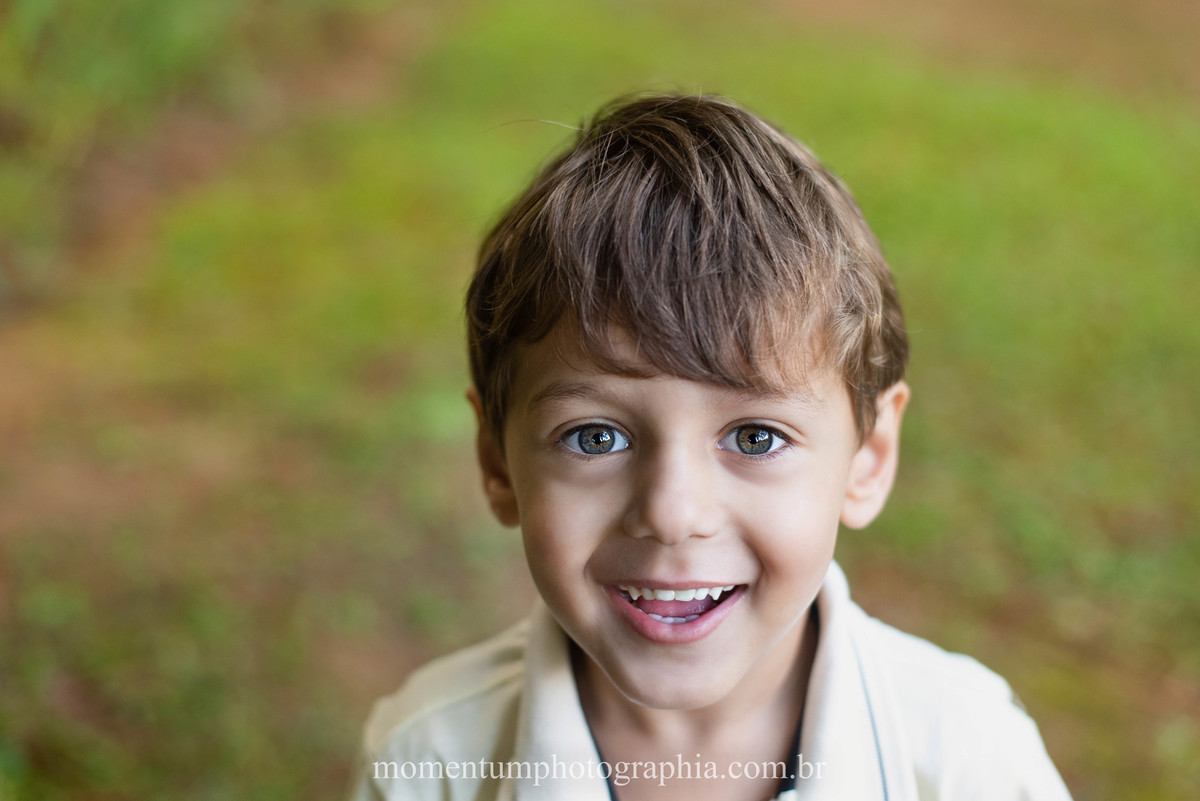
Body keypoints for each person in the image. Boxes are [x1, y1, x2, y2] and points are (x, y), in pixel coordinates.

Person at [348, 93, 1072, 800]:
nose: (671, 511)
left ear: (869, 456)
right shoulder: (429, 759)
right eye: (595, 436)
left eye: (756, 437)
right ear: (496, 462)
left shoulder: (966, 757)